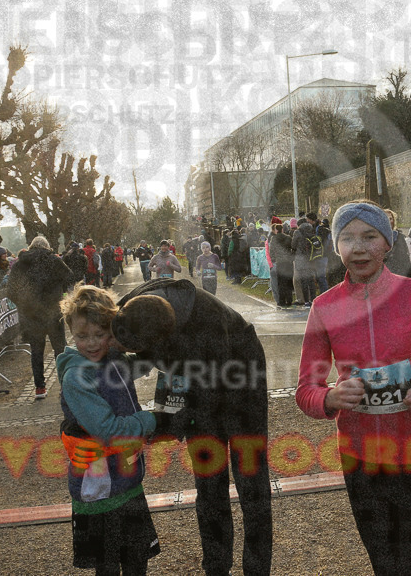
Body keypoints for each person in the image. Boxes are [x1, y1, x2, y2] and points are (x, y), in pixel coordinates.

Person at [296, 201, 411, 576]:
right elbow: (306, 388)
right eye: (347, 238)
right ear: (336, 247)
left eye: (369, 236)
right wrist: (330, 397)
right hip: (361, 456)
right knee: (385, 562)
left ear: (387, 243)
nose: (358, 248)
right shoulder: (324, 307)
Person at [114, 279, 272, 576]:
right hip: (195, 372)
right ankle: (215, 567)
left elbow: (203, 400)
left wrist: (167, 424)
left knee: (250, 480)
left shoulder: (206, 324)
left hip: (240, 369)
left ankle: (257, 568)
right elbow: (135, 362)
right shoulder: (130, 308)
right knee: (209, 483)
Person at [56, 285, 160, 575]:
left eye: (99, 335)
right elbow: (109, 430)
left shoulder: (111, 358)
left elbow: (140, 363)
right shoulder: (78, 377)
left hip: (126, 481)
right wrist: (152, 420)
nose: (91, 344)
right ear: (71, 333)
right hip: (98, 489)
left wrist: (148, 340)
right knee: (108, 566)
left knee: (137, 561)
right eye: (81, 336)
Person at [7, 235, 74, 401]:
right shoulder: (53, 260)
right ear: (46, 246)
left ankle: (39, 388)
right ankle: (65, 386)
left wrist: (24, 304)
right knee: (60, 349)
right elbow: (70, 277)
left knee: (36, 351)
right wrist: (61, 293)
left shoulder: (20, 264)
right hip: (53, 312)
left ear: (31, 246)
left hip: (31, 315)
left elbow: (10, 291)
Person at [268, 222, 294, 308]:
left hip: (280, 262)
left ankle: (282, 300)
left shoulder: (274, 239)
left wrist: (273, 259)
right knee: (288, 281)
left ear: (276, 230)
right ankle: (289, 300)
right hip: (288, 262)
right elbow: (293, 248)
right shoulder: (288, 238)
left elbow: (271, 250)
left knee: (281, 282)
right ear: (282, 229)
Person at [291, 219, 316, 307]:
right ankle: (313, 299)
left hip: (301, 259)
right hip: (311, 257)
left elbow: (293, 245)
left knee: (303, 280)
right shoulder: (312, 230)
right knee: (311, 280)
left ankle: (306, 301)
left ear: (299, 225)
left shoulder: (298, 232)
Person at [383, 209, 411, 278]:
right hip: (385, 274)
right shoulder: (378, 237)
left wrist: (410, 276)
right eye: (386, 218)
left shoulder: (399, 236)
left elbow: (405, 257)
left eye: (391, 218)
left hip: (400, 274)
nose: (389, 221)